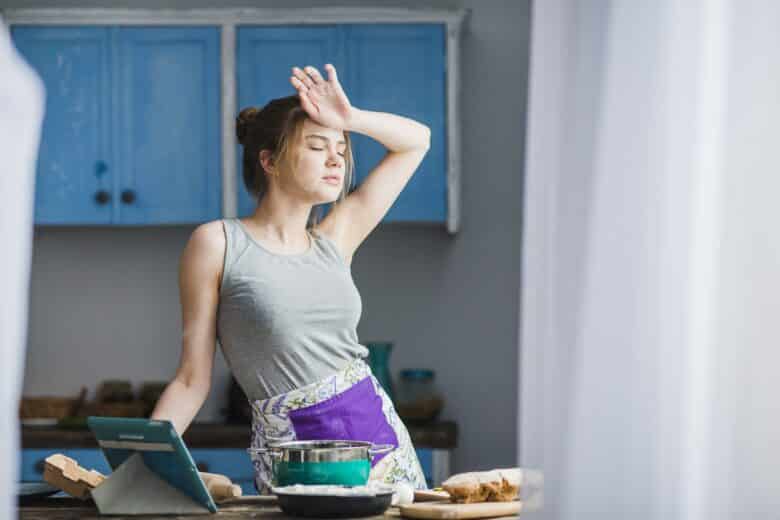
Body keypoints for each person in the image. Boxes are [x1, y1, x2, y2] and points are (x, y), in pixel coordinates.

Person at [150, 63, 431, 493]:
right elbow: (192, 379)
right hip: (293, 460)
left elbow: (417, 141)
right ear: (269, 161)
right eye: (318, 146)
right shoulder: (217, 244)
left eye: (341, 147)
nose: (336, 157)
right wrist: (144, 460)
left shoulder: (335, 239)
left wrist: (349, 118)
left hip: (381, 450)